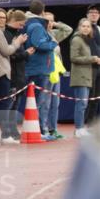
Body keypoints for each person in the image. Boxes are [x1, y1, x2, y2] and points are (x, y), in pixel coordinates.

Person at [0, 8, 28, 144]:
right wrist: (17, 42)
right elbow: (7, 51)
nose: (2, 20)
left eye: (4, 18)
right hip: (1, 72)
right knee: (5, 104)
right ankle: (5, 136)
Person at [24, 0, 58, 139]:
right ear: (43, 11)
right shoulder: (37, 25)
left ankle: (37, 132)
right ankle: (38, 132)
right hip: (38, 69)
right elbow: (39, 44)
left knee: (36, 102)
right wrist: (53, 43)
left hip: (37, 68)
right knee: (37, 103)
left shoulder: (31, 24)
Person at [43, 11, 72, 140]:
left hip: (56, 73)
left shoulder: (54, 34)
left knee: (55, 103)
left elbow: (68, 29)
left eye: (51, 21)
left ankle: (53, 129)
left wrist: (56, 24)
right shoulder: (39, 34)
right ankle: (43, 129)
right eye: (46, 21)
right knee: (45, 103)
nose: (49, 23)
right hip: (45, 73)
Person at [70, 18, 100, 137]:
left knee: (84, 104)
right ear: (79, 27)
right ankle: (78, 128)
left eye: (88, 26)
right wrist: (92, 59)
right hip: (80, 76)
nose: (86, 28)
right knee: (81, 104)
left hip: (86, 76)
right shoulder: (77, 39)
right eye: (84, 26)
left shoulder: (86, 40)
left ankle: (81, 127)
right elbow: (74, 58)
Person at [4, 9, 29, 138]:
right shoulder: (6, 34)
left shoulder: (17, 35)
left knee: (15, 105)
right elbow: (10, 56)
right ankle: (7, 132)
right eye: (21, 24)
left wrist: (24, 52)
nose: (22, 27)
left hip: (19, 75)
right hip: (12, 75)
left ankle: (12, 130)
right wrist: (25, 54)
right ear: (14, 21)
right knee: (9, 105)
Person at [84, 4, 100, 124]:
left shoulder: (99, 28)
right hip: (89, 67)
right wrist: (93, 58)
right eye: (91, 12)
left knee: (96, 97)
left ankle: (91, 123)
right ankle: (84, 124)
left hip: (99, 67)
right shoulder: (84, 29)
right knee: (89, 97)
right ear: (87, 15)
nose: (94, 14)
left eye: (96, 12)